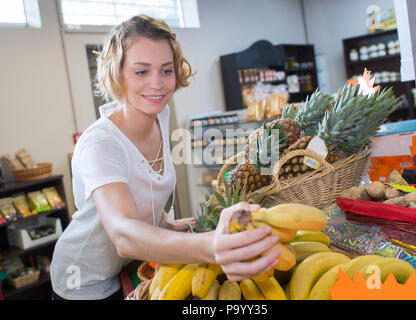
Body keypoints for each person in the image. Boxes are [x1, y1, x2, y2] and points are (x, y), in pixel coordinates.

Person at [50, 15, 280, 300]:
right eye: (141, 72)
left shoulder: (160, 114)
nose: (157, 84)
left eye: (166, 70)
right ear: (117, 73)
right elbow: (122, 233)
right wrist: (212, 245)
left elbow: (141, 184)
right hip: (83, 279)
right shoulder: (100, 145)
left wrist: (164, 224)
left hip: (130, 266)